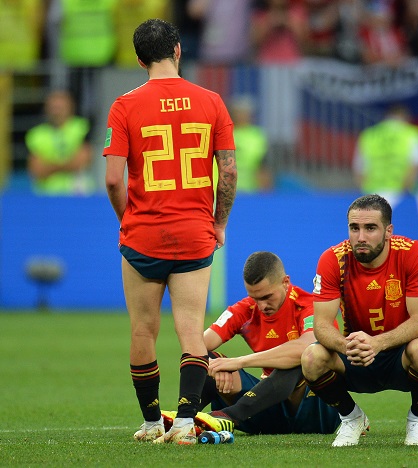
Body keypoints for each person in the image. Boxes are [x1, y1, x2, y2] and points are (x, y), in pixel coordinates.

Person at [103, 18, 237, 445]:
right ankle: (183, 422)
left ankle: (148, 422)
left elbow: (111, 179)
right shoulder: (212, 101)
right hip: (194, 234)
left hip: (143, 235)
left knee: (143, 330)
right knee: (191, 328)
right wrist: (218, 223)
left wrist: (128, 218)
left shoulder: (124, 105)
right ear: (178, 50)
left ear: (140, 59)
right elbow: (229, 172)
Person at [300, 194, 418, 447]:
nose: (361, 237)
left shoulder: (414, 253)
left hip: (399, 355)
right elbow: (321, 325)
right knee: (311, 358)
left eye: (370, 228)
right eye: (354, 228)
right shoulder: (332, 259)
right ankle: (351, 418)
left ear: (389, 231)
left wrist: (377, 343)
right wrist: (348, 347)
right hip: (355, 355)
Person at [161, 251, 340, 435]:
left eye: (267, 297)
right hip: (269, 409)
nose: (261, 306)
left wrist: (239, 362)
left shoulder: (309, 306)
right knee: (205, 358)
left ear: (285, 282)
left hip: (317, 412)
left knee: (299, 360)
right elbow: (197, 345)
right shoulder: (246, 310)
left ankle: (228, 416)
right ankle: (185, 420)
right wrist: (217, 366)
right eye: (255, 298)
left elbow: (305, 347)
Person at [26, 90, 94, 195]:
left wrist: (50, 166)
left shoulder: (82, 127)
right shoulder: (36, 134)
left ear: (71, 107)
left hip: (77, 194)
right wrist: (67, 164)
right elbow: (37, 169)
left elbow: (82, 161)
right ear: (46, 109)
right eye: (53, 108)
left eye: (60, 108)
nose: (56, 112)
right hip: (45, 195)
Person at [353, 104, 418, 195]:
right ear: (405, 116)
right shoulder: (413, 134)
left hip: (372, 192)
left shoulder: (368, 135)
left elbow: (359, 169)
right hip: (400, 193)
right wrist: (404, 191)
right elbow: (417, 165)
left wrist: (366, 192)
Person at [227, 96, 272, 193]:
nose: (242, 116)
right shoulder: (221, 132)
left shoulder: (257, 136)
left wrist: (264, 191)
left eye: (245, 113)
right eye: (239, 112)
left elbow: (263, 165)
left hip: (248, 192)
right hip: (220, 191)